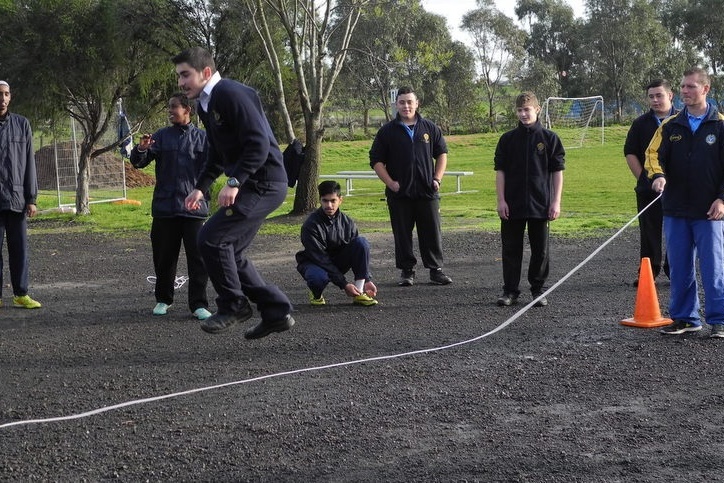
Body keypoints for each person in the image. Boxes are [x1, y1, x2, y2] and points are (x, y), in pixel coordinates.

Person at [173, 46, 295, 339]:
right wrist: (201, 188)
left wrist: (234, 182)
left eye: (185, 75)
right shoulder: (206, 103)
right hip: (254, 182)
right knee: (232, 252)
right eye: (178, 76)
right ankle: (276, 311)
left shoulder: (229, 93)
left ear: (205, 72)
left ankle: (234, 304)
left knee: (211, 239)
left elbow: (258, 144)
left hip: (264, 182)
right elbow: (216, 153)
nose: (180, 82)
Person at [646, 67, 724, 338]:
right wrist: (657, 175)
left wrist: (721, 199)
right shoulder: (671, 125)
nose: (684, 91)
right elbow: (653, 155)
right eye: (682, 86)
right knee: (679, 267)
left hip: (709, 211)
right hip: (676, 209)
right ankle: (686, 318)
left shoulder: (720, 125)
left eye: (690, 86)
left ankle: (719, 320)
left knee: (713, 267)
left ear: (705, 89)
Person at [130, 93, 212, 320]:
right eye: (169, 107)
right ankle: (163, 300)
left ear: (187, 110)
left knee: (198, 258)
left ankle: (198, 304)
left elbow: (213, 169)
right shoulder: (161, 136)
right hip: (165, 208)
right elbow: (139, 163)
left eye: (174, 107)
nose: (170, 111)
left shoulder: (203, 138)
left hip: (195, 209)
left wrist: (202, 194)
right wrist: (142, 148)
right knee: (164, 257)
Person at [369, 87, 453, 287]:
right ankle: (407, 271)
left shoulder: (430, 128)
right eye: (402, 102)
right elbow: (376, 160)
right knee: (402, 233)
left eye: (409, 102)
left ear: (417, 104)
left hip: (426, 191)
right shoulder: (387, 131)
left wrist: (437, 179)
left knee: (432, 231)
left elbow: (442, 154)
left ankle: (436, 270)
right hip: (400, 194)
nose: (406, 106)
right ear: (396, 105)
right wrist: (390, 183)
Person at [493, 92, 565, 307]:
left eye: (527, 110)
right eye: (520, 110)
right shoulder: (507, 140)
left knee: (540, 250)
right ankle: (510, 291)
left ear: (537, 110)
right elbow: (500, 172)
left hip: (540, 203)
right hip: (512, 204)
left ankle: (538, 290)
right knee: (511, 248)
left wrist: (555, 201)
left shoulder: (550, 139)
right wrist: (501, 200)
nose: (524, 114)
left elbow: (557, 172)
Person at [624, 79, 676, 286]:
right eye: (651, 96)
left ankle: (675, 271)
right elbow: (630, 152)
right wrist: (643, 179)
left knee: (676, 232)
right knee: (649, 232)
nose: (655, 100)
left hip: (677, 190)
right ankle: (648, 273)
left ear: (670, 95)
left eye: (659, 95)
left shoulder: (682, 120)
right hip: (648, 190)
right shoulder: (640, 124)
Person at [296, 180, 378, 307]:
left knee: (361, 243)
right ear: (320, 200)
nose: (329, 205)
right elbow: (321, 258)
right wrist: (344, 284)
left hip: (338, 261)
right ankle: (316, 294)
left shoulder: (348, 222)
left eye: (333, 200)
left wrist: (366, 279)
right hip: (315, 262)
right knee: (318, 278)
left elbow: (359, 253)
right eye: (325, 200)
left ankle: (360, 291)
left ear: (340, 200)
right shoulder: (310, 225)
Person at [0, 80, 41, 309]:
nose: (2, 98)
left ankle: (21, 293)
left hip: (16, 200)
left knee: (20, 250)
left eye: (6, 94)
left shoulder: (21, 124)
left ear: (10, 97)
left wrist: (31, 198)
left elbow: (29, 164)